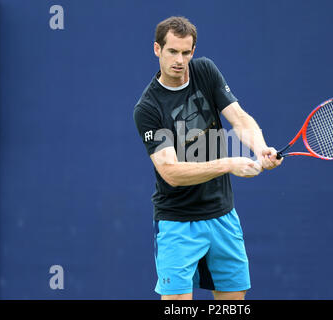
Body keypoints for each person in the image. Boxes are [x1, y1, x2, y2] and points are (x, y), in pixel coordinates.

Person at [133, 16, 283, 300]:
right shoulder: (148, 108)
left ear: (193, 51)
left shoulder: (205, 72)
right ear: (157, 49)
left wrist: (260, 148)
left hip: (223, 216)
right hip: (178, 223)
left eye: (186, 52)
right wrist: (230, 163)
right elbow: (171, 172)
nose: (180, 59)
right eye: (172, 51)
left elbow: (239, 119)